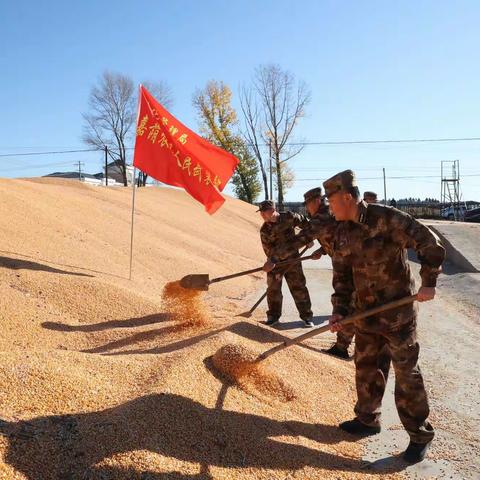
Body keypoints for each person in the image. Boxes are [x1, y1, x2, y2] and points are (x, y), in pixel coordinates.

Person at [323, 170, 445, 464]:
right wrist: (340, 310)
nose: (330, 207)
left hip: (398, 314)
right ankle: (367, 420)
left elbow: (428, 242)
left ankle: (419, 435)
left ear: (348, 198)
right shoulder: (341, 231)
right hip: (366, 314)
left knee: (406, 375)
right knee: (366, 366)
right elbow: (342, 276)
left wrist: (428, 281)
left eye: (333, 201)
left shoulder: (387, 219)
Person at [258, 200, 315, 328]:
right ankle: (273, 316)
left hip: (294, 261)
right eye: (260, 212)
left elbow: (308, 224)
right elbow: (269, 251)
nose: (262, 215)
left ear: (272, 210)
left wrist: (308, 237)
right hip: (275, 263)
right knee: (273, 289)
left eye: (264, 212)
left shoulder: (289, 217)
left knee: (299, 288)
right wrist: (278, 268)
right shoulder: (264, 230)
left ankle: (307, 317)